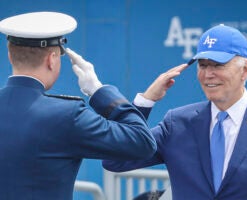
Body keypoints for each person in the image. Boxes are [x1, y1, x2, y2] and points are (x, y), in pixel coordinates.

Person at [103, 24, 247, 199]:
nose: (208, 74)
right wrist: (145, 101)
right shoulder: (178, 124)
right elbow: (115, 160)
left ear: (244, 69)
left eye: (218, 65)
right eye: (203, 65)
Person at [0, 11, 158, 199]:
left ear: (10, 55)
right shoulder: (66, 115)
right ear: (51, 59)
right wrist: (99, 91)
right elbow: (142, 142)